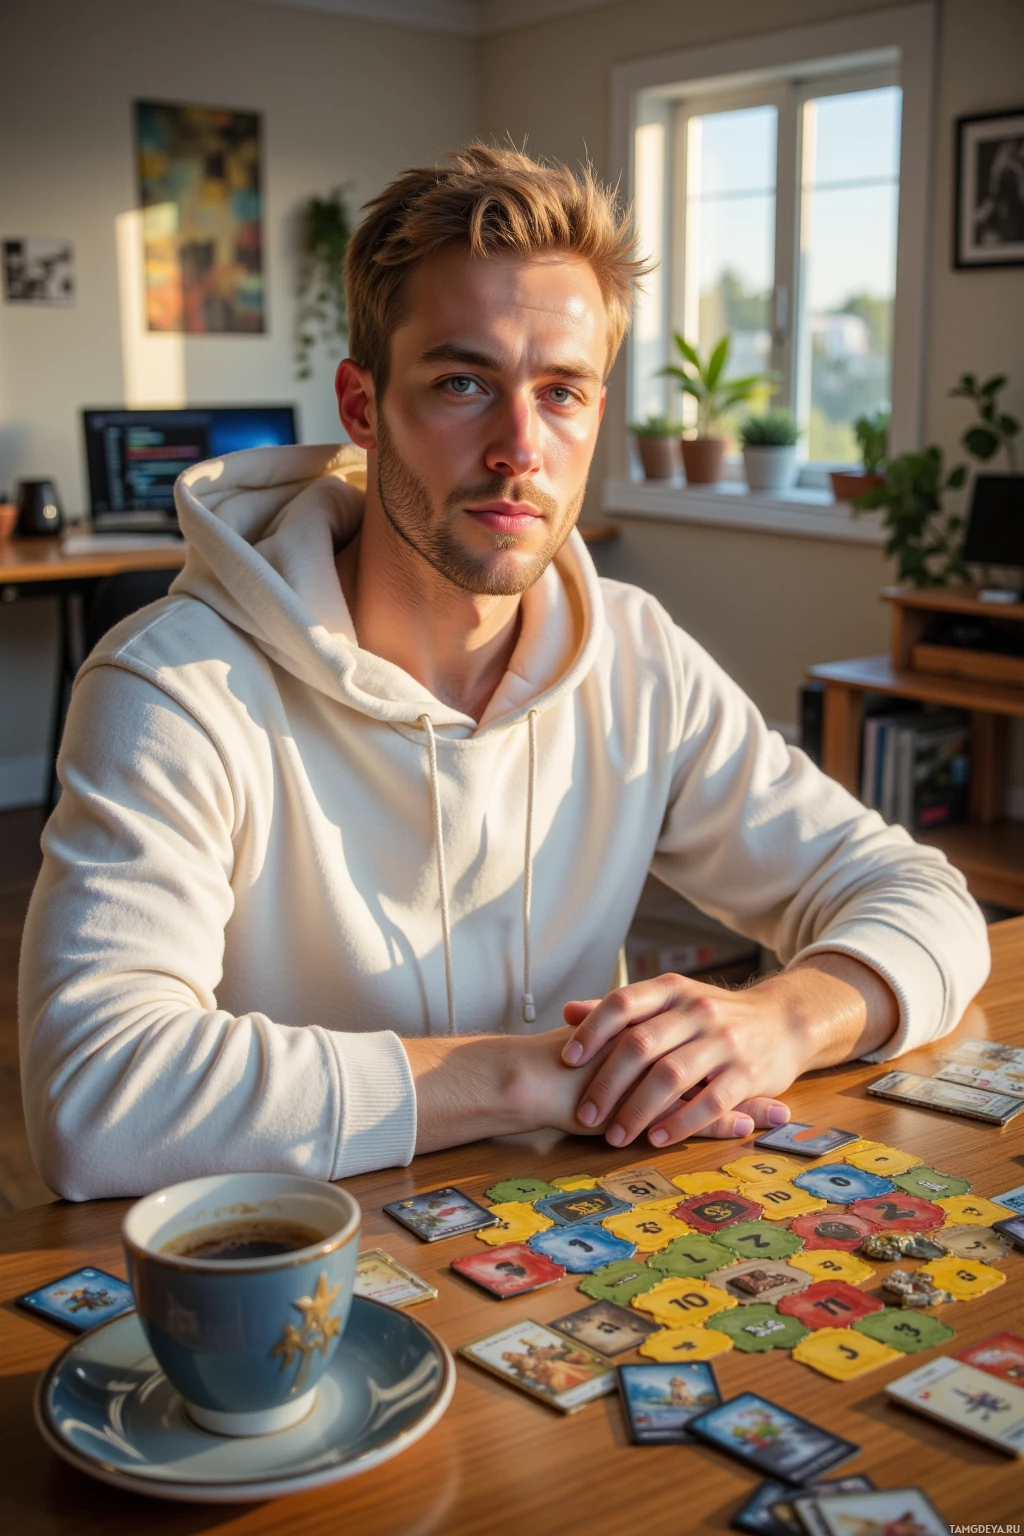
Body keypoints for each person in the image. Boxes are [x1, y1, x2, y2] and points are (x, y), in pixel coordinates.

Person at [19, 145, 988, 1201]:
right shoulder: (173, 687)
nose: (520, 446)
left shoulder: (636, 657)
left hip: (579, 1238)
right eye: (463, 383)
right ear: (361, 405)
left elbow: (919, 895)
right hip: (300, 1248)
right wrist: (537, 1079)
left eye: (562, 392)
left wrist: (778, 1020)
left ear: (597, 415)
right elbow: (95, 1096)